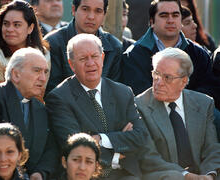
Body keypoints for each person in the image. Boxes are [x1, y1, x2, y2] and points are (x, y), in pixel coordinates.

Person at [46, 33, 186, 180]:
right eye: (83, 59)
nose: (90, 63)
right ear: (71, 64)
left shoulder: (123, 92)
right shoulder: (60, 98)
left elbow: (140, 136)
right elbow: (75, 149)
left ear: (102, 58)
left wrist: (100, 138)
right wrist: (118, 153)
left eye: (94, 56)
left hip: (128, 173)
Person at [0, 47, 58, 180]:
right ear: (16, 74)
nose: (43, 78)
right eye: (37, 71)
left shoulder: (41, 108)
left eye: (45, 72)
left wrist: (40, 173)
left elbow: (50, 148)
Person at [135, 47, 220, 180]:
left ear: (184, 81)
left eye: (167, 77)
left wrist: (209, 175)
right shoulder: (140, 105)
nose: (158, 82)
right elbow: (149, 157)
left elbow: (212, 148)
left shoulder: (203, 103)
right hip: (165, 175)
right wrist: (187, 176)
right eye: (156, 74)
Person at [121, 0, 220, 105]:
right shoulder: (133, 55)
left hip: (194, 114)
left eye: (175, 15)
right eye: (164, 16)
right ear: (152, 22)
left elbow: (210, 89)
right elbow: (139, 96)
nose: (170, 20)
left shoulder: (198, 53)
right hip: (151, 117)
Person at [43, 0, 122, 94]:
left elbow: (114, 93)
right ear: (73, 10)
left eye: (98, 11)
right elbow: (51, 93)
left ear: (104, 15)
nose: (91, 16)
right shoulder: (53, 42)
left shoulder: (114, 46)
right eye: (85, 9)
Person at [0, 0, 50, 102]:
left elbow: (38, 94)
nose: (10, 29)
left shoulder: (43, 54)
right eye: (6, 24)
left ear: (30, 28)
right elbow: (2, 94)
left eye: (17, 25)